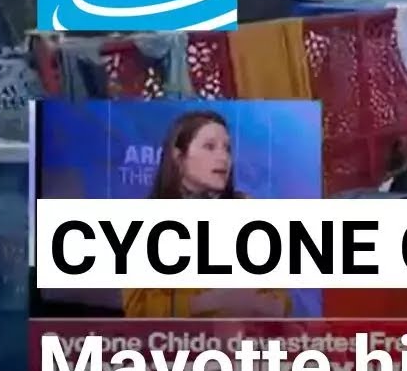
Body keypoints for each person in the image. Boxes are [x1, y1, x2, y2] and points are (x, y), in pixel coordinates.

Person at [122, 110, 291, 318]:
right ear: (179, 157)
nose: (223, 157)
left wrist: (266, 306)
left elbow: (280, 297)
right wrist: (208, 302)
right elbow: (138, 311)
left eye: (227, 149)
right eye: (209, 147)